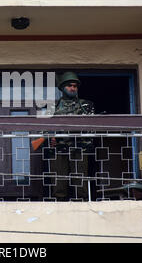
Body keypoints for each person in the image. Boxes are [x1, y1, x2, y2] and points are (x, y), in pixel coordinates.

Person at [49, 71, 95, 201]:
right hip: (59, 148)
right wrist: (51, 137)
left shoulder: (86, 104)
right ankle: (60, 203)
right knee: (59, 178)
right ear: (62, 88)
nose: (72, 88)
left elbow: (91, 126)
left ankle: (83, 203)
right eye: (69, 86)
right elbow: (44, 127)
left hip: (80, 147)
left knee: (80, 178)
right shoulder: (52, 106)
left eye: (75, 86)